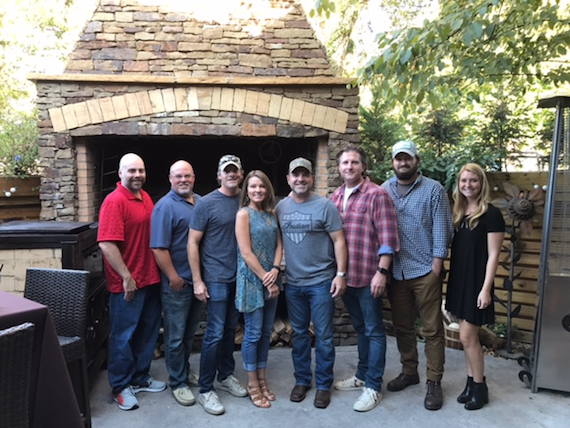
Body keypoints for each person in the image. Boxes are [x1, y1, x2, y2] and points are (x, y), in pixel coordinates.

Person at [381, 141, 453, 411]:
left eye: (407, 159)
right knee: (402, 327)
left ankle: (434, 381)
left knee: (433, 330)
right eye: (398, 159)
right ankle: (409, 371)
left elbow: (443, 229)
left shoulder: (433, 189)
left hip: (425, 271)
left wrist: (437, 266)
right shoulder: (383, 190)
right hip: (396, 272)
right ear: (393, 162)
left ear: (417, 161)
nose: (403, 163)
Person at [330, 144, 400, 412]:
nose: (349, 167)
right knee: (360, 330)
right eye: (345, 163)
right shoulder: (335, 197)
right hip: (346, 277)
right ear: (339, 167)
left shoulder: (376, 195)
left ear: (363, 166)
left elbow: (388, 238)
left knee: (374, 331)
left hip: (370, 275)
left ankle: (373, 386)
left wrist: (382, 272)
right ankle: (361, 375)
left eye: (354, 163)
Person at [275, 157, 348, 409]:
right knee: (299, 336)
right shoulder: (281, 207)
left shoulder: (325, 206)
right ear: (288, 179)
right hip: (293, 284)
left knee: (325, 337)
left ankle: (324, 384)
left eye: (305, 174)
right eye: (295, 175)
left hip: (321, 282)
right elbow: (275, 240)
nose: (300, 179)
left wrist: (341, 274)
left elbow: (339, 241)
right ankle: (303, 380)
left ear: (311, 178)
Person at [97, 153, 166, 411]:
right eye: (132, 171)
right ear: (120, 173)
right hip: (128, 284)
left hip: (149, 279)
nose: (137, 175)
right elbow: (106, 243)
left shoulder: (145, 197)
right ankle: (120, 386)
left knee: (147, 332)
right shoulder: (114, 202)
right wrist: (126, 277)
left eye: (141, 170)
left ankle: (139, 377)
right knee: (122, 337)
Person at [188, 154, 247, 416]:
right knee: (213, 333)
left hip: (239, 278)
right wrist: (198, 280)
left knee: (228, 330)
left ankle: (225, 375)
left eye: (235, 171)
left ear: (241, 174)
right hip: (215, 277)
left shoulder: (246, 201)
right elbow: (192, 243)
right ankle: (205, 389)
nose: (231, 175)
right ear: (219, 175)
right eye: (227, 171)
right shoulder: (207, 203)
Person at [445, 163, 505, 411]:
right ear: (458, 184)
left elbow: (494, 255)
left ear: (482, 184)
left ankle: (480, 387)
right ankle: (471, 383)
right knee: (464, 337)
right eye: (464, 181)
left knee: (469, 337)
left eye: (473, 181)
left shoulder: (491, 214)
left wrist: (485, 289)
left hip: (476, 284)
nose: (468, 185)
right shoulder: (459, 213)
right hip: (459, 281)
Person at [150, 160, 203, 407]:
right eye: (178, 176)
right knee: (174, 336)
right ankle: (178, 382)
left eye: (187, 176)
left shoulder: (200, 202)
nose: (183, 180)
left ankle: (184, 370)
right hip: (178, 284)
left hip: (198, 283)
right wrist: (173, 278)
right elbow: (159, 248)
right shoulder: (164, 207)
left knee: (189, 334)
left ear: (194, 178)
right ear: (170, 179)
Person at [235, 170, 283, 409]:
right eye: (253, 187)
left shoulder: (272, 213)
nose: (257, 191)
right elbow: (245, 252)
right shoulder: (243, 214)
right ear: (247, 190)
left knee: (265, 333)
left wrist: (275, 269)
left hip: (271, 278)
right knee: (253, 333)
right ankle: (252, 383)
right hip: (253, 281)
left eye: (261, 187)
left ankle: (263, 380)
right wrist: (266, 277)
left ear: (267, 189)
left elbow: (279, 244)